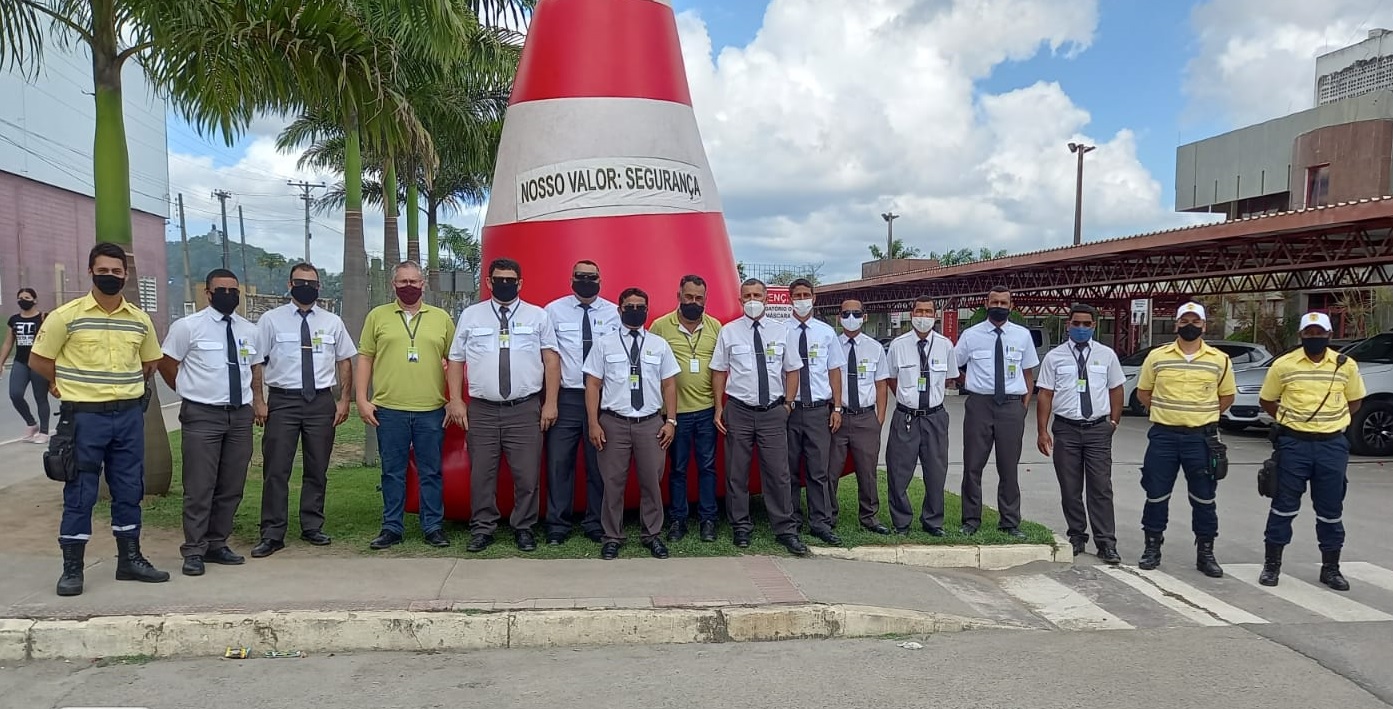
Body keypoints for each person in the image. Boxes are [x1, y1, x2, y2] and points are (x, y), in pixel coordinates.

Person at [29, 242, 169, 596]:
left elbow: (150, 363)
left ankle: (130, 560)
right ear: (90, 272)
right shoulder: (66, 316)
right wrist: (58, 383)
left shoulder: (140, 320)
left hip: (127, 417)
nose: (110, 277)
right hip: (84, 419)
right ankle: (72, 568)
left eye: (116, 272)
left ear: (125, 275)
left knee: (128, 489)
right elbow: (40, 359)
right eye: (103, 271)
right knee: (80, 491)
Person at [447, 257, 560, 553]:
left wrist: (550, 403)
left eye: (511, 280)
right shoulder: (471, 316)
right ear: (488, 282)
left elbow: (551, 360)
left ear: (520, 283)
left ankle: (524, 527)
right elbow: (456, 360)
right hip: (482, 409)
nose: (505, 284)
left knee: (527, 474)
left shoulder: (538, 316)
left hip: (525, 409)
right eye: (499, 279)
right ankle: (483, 528)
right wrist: (456, 400)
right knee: (482, 474)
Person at [159, 268, 264, 576]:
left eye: (234, 290)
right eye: (222, 290)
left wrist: (258, 401)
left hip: (239, 415)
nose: (229, 295)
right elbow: (167, 363)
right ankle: (194, 549)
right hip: (202, 415)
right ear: (207, 293)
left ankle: (217, 543)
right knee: (199, 485)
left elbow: (254, 369)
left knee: (231, 484)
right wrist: (186, 390)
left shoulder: (249, 330)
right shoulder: (187, 327)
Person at [251, 263, 357, 558]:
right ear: (290, 284)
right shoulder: (270, 320)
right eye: (300, 281)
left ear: (319, 287)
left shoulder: (332, 321)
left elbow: (345, 360)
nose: (306, 286)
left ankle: (312, 525)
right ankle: (272, 533)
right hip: (283, 401)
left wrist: (344, 399)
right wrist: (258, 400)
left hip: (320, 402)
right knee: (276, 469)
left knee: (317, 467)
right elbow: (257, 362)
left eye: (311, 282)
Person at [1256, 312, 1364, 590]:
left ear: (1329, 335)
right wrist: (1291, 421)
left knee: (1330, 509)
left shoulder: (1346, 366)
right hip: (1294, 445)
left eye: (1319, 333)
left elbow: (1354, 402)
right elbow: (1268, 400)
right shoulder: (1284, 365)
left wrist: (1329, 422)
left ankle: (1331, 568)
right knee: (1283, 507)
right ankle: (1272, 566)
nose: (1314, 337)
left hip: (1331, 446)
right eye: (1309, 333)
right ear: (1301, 335)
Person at [356, 261, 456, 550]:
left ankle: (433, 526)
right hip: (389, 409)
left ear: (423, 284)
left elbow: (455, 361)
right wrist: (362, 399)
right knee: (392, 471)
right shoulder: (378, 317)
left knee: (431, 471)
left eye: (414, 281)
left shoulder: (441, 318)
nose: (409, 287)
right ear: (393, 285)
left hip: (431, 409)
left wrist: (453, 400)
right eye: (403, 282)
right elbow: (365, 357)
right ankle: (391, 527)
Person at [1134, 301, 1236, 577]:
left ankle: (1206, 553)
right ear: (1176, 323)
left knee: (1204, 497)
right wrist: (1167, 410)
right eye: (1184, 321)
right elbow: (1144, 392)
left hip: (1200, 439)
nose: (1189, 325)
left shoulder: (1219, 359)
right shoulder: (1157, 357)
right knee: (1156, 494)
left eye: (1195, 321)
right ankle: (1152, 547)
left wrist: (1202, 414)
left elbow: (1226, 396)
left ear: (1204, 325)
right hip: (1164, 437)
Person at [710, 278, 808, 555]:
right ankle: (740, 526)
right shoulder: (729, 332)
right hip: (739, 410)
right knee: (736, 473)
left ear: (766, 299)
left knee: (778, 473)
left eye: (757, 295)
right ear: (740, 301)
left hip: (773, 411)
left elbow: (792, 370)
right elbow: (719, 370)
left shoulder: (781, 331)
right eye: (747, 296)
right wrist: (719, 406)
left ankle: (785, 529)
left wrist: (787, 404)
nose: (752, 300)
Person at [583, 287, 680, 560]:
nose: (635, 311)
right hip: (613, 422)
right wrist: (593, 422)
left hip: (650, 424)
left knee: (651, 481)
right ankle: (612, 536)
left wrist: (670, 420)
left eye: (640, 307)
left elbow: (669, 385)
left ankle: (652, 535)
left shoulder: (658, 345)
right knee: (613, 483)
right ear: (619, 309)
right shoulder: (604, 344)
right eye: (629, 306)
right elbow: (592, 384)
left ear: (647, 311)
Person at [1035, 304, 1125, 564]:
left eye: (1087, 324)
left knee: (1101, 487)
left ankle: (1106, 542)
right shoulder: (1055, 357)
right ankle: (1077, 535)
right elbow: (1045, 394)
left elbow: (1116, 389)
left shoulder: (1106, 355)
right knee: (1070, 487)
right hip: (1066, 429)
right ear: (1068, 324)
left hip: (1098, 429)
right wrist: (1042, 430)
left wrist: (1113, 422)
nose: (1081, 328)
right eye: (1077, 323)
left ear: (1094, 326)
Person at [542, 260, 618, 545]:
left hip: (602, 397)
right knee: (559, 462)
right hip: (567, 396)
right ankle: (558, 525)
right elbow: (549, 356)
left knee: (598, 463)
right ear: (571, 278)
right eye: (580, 276)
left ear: (600, 279)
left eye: (592, 277)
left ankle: (596, 522)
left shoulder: (613, 313)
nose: (586, 281)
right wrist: (550, 401)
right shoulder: (553, 310)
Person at [954, 285, 1037, 538]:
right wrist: (968, 382)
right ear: (986, 304)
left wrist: (1022, 407)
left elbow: (1028, 374)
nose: (999, 307)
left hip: (1011, 406)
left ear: (1011, 306)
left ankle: (1010, 522)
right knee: (972, 466)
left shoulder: (1022, 336)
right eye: (995, 302)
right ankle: (970, 520)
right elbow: (954, 366)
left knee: (1009, 467)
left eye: (1004, 303)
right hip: (980, 404)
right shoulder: (971, 335)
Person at [649, 274, 722, 542]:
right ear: (678, 295)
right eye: (688, 297)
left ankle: (708, 520)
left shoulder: (716, 327)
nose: (693, 302)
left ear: (705, 299)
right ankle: (678, 520)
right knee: (677, 468)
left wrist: (717, 408)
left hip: (705, 411)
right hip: (674, 414)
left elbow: (721, 370)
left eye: (699, 298)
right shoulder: (660, 326)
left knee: (707, 467)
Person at [884, 296, 956, 535]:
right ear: (911, 313)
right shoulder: (898, 345)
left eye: (928, 312)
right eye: (919, 311)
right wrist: (907, 399)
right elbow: (891, 378)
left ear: (934, 316)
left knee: (936, 471)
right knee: (898, 471)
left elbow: (949, 378)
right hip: (906, 418)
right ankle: (901, 522)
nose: (923, 316)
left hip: (935, 417)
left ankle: (933, 522)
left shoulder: (945, 345)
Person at [784, 278, 843, 544]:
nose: (802, 298)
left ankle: (820, 521)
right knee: (789, 468)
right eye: (797, 295)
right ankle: (792, 520)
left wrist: (837, 407)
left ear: (814, 298)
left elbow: (834, 372)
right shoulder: (780, 330)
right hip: (789, 410)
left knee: (819, 469)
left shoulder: (826, 332)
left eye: (806, 294)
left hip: (819, 410)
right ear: (789, 298)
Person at [829, 298, 892, 534]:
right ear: (839, 318)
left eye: (856, 313)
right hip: (838, 416)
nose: (851, 318)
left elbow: (881, 385)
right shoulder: (831, 345)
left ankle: (869, 516)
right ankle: (829, 515)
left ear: (864, 317)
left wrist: (880, 418)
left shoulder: (874, 348)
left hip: (866, 418)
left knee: (867, 472)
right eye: (846, 314)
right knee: (831, 470)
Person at [2, 287, 50, 443]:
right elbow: (8, 343)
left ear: (34, 300)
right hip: (20, 361)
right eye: (20, 297)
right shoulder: (14, 319)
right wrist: (1, 362)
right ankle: (31, 423)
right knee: (15, 394)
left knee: (40, 397)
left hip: (38, 361)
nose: (23, 300)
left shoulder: (43, 318)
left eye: (27, 297)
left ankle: (44, 431)